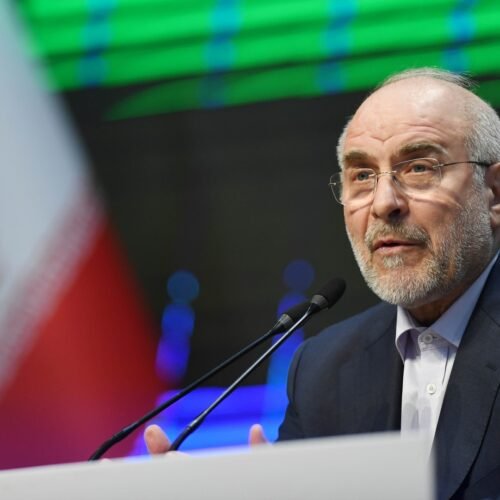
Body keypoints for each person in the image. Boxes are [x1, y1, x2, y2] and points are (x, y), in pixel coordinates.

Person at [145, 68, 500, 499]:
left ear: (494, 193)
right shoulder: (323, 369)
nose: (384, 203)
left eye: (419, 168)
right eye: (362, 176)